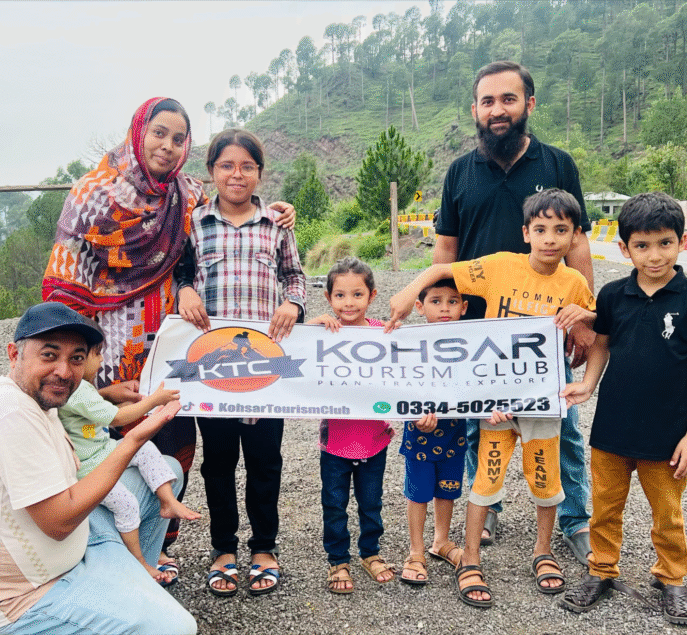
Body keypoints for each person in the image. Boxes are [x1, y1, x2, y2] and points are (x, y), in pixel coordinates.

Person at [43, 97, 295, 579]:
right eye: (159, 133)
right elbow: (66, 283)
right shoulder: (93, 194)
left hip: (175, 349)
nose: (167, 146)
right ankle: (102, 550)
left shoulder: (187, 195)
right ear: (138, 132)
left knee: (172, 446)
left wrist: (282, 211)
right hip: (109, 350)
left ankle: (158, 547)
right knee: (102, 441)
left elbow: (236, 207)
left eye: (179, 139)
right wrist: (75, 365)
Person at [389, 188, 597, 608]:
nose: (550, 239)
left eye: (561, 230)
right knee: (485, 477)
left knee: (545, 478)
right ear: (526, 233)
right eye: (541, 229)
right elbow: (442, 268)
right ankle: (470, 557)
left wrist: (587, 315)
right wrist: (410, 292)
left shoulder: (574, 282)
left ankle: (543, 550)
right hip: (495, 403)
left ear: (575, 235)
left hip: (541, 402)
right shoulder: (500, 266)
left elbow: (597, 321)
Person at [0, 302, 194, 635]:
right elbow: (59, 523)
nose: (64, 371)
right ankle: (135, 603)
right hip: (30, 595)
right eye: (49, 355)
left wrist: (107, 394)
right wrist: (134, 439)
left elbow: (80, 407)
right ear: (14, 355)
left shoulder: (40, 396)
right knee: (176, 628)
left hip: (75, 543)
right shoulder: (10, 413)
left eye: (76, 358)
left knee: (166, 469)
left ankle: (140, 580)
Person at [433, 60, 595, 562]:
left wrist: (584, 316)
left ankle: (574, 519)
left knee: (562, 427)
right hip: (480, 331)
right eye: (488, 101)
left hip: (544, 329)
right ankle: (488, 507)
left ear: (529, 104)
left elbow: (579, 243)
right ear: (475, 110)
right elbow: (446, 250)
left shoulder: (557, 164)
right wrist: (440, 318)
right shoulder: (459, 172)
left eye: (508, 99)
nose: (497, 110)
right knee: (481, 425)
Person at [558, 193, 687, 627]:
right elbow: (602, 345)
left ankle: (672, 578)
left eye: (665, 243)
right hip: (612, 429)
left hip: (667, 436)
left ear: (683, 241)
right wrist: (587, 385)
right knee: (604, 507)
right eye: (642, 245)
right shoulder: (613, 295)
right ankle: (601, 569)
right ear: (624, 248)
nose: (654, 255)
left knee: (667, 514)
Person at [175, 128, 306, 597]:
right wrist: (184, 290)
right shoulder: (194, 223)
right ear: (211, 171)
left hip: (266, 367)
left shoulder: (277, 224)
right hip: (213, 369)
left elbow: (295, 275)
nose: (237, 174)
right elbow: (181, 274)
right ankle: (224, 549)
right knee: (218, 463)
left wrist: (293, 303)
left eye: (247, 166)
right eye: (227, 165)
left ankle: (264, 548)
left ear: (259, 173)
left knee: (266, 461)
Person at [58, 338, 201, 585]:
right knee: (127, 504)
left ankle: (167, 501)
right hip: (90, 468)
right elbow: (117, 418)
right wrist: (153, 401)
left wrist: (110, 395)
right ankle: (140, 560)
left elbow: (94, 412)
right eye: (97, 354)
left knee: (145, 449)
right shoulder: (78, 391)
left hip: (103, 450)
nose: (101, 360)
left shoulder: (82, 388)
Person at [306, 257, 397, 594]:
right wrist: (310, 328)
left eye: (357, 294)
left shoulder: (383, 333)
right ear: (328, 298)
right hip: (335, 443)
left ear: (371, 296)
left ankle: (370, 553)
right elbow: (295, 351)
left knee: (371, 503)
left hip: (374, 439)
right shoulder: (322, 334)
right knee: (334, 504)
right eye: (340, 295)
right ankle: (338, 559)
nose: (349, 303)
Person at [398, 279, 469, 586]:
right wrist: (413, 417)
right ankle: (415, 550)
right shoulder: (409, 343)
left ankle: (441, 541)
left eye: (452, 301)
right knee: (418, 493)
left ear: (464, 307)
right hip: (420, 435)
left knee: (448, 489)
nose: (444, 308)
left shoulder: (473, 343)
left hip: (455, 433)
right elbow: (397, 383)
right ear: (419, 306)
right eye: (435, 301)